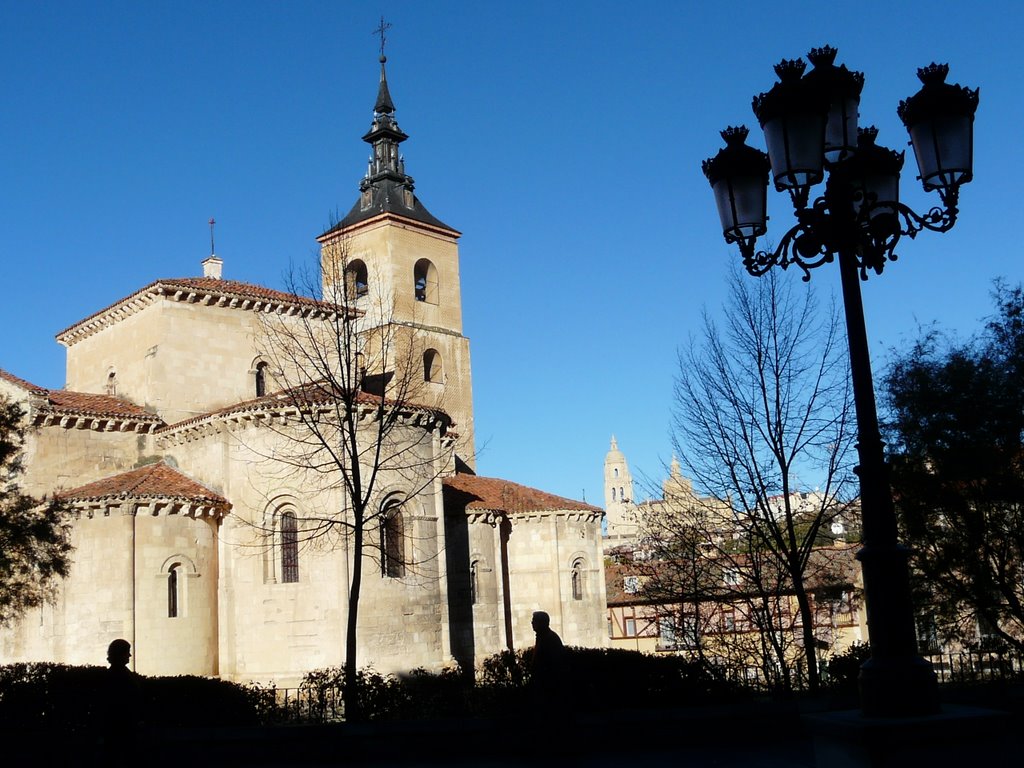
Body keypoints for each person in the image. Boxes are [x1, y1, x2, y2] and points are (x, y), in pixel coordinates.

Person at [98, 639, 142, 766]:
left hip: (120, 728)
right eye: (127, 652)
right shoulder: (118, 675)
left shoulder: (115, 674)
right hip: (122, 729)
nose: (129, 655)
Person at [530, 610, 566, 713]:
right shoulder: (542, 637)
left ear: (542, 623)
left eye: (534, 621)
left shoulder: (549, 639)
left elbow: (553, 663)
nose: (532, 623)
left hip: (549, 687)